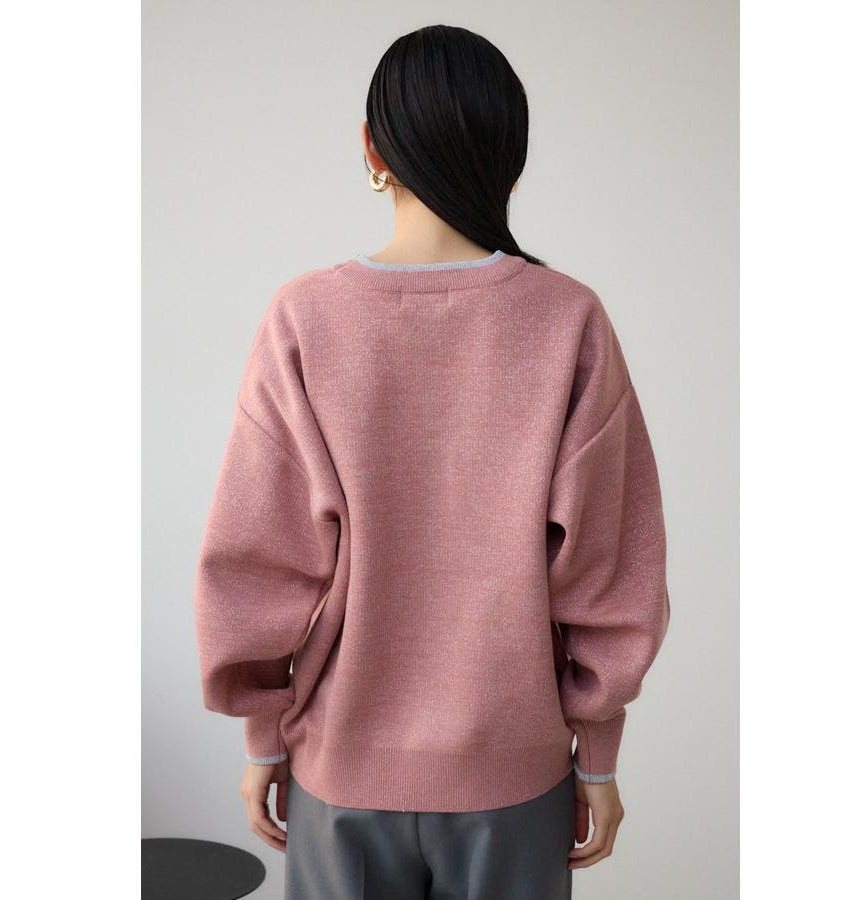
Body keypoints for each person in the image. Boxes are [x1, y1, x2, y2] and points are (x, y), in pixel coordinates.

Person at [193, 23, 670, 900]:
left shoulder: (304, 318)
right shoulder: (569, 319)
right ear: (511, 161)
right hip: (515, 779)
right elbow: (609, 570)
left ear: (373, 150)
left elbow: (256, 557)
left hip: (341, 772)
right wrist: (597, 757)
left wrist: (263, 736)